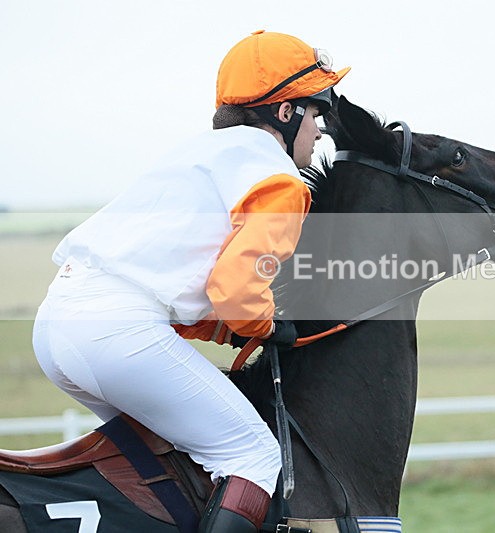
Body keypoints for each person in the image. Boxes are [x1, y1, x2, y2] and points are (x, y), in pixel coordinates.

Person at [31, 30, 349, 532]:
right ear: (285, 113)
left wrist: (227, 330)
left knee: (171, 458)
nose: (320, 131)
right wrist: (267, 327)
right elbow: (238, 290)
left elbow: (176, 283)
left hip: (57, 326)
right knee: (253, 456)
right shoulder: (279, 180)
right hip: (114, 335)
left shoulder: (199, 155)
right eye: (316, 113)